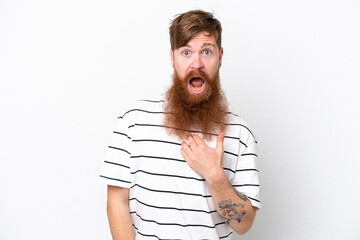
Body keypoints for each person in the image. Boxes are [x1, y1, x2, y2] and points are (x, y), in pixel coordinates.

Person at [99, 9, 260, 239]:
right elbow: (116, 201)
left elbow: (244, 225)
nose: (197, 63)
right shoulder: (133, 121)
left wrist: (215, 175)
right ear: (173, 57)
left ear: (220, 57)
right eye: (186, 52)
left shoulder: (239, 134)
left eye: (207, 51)